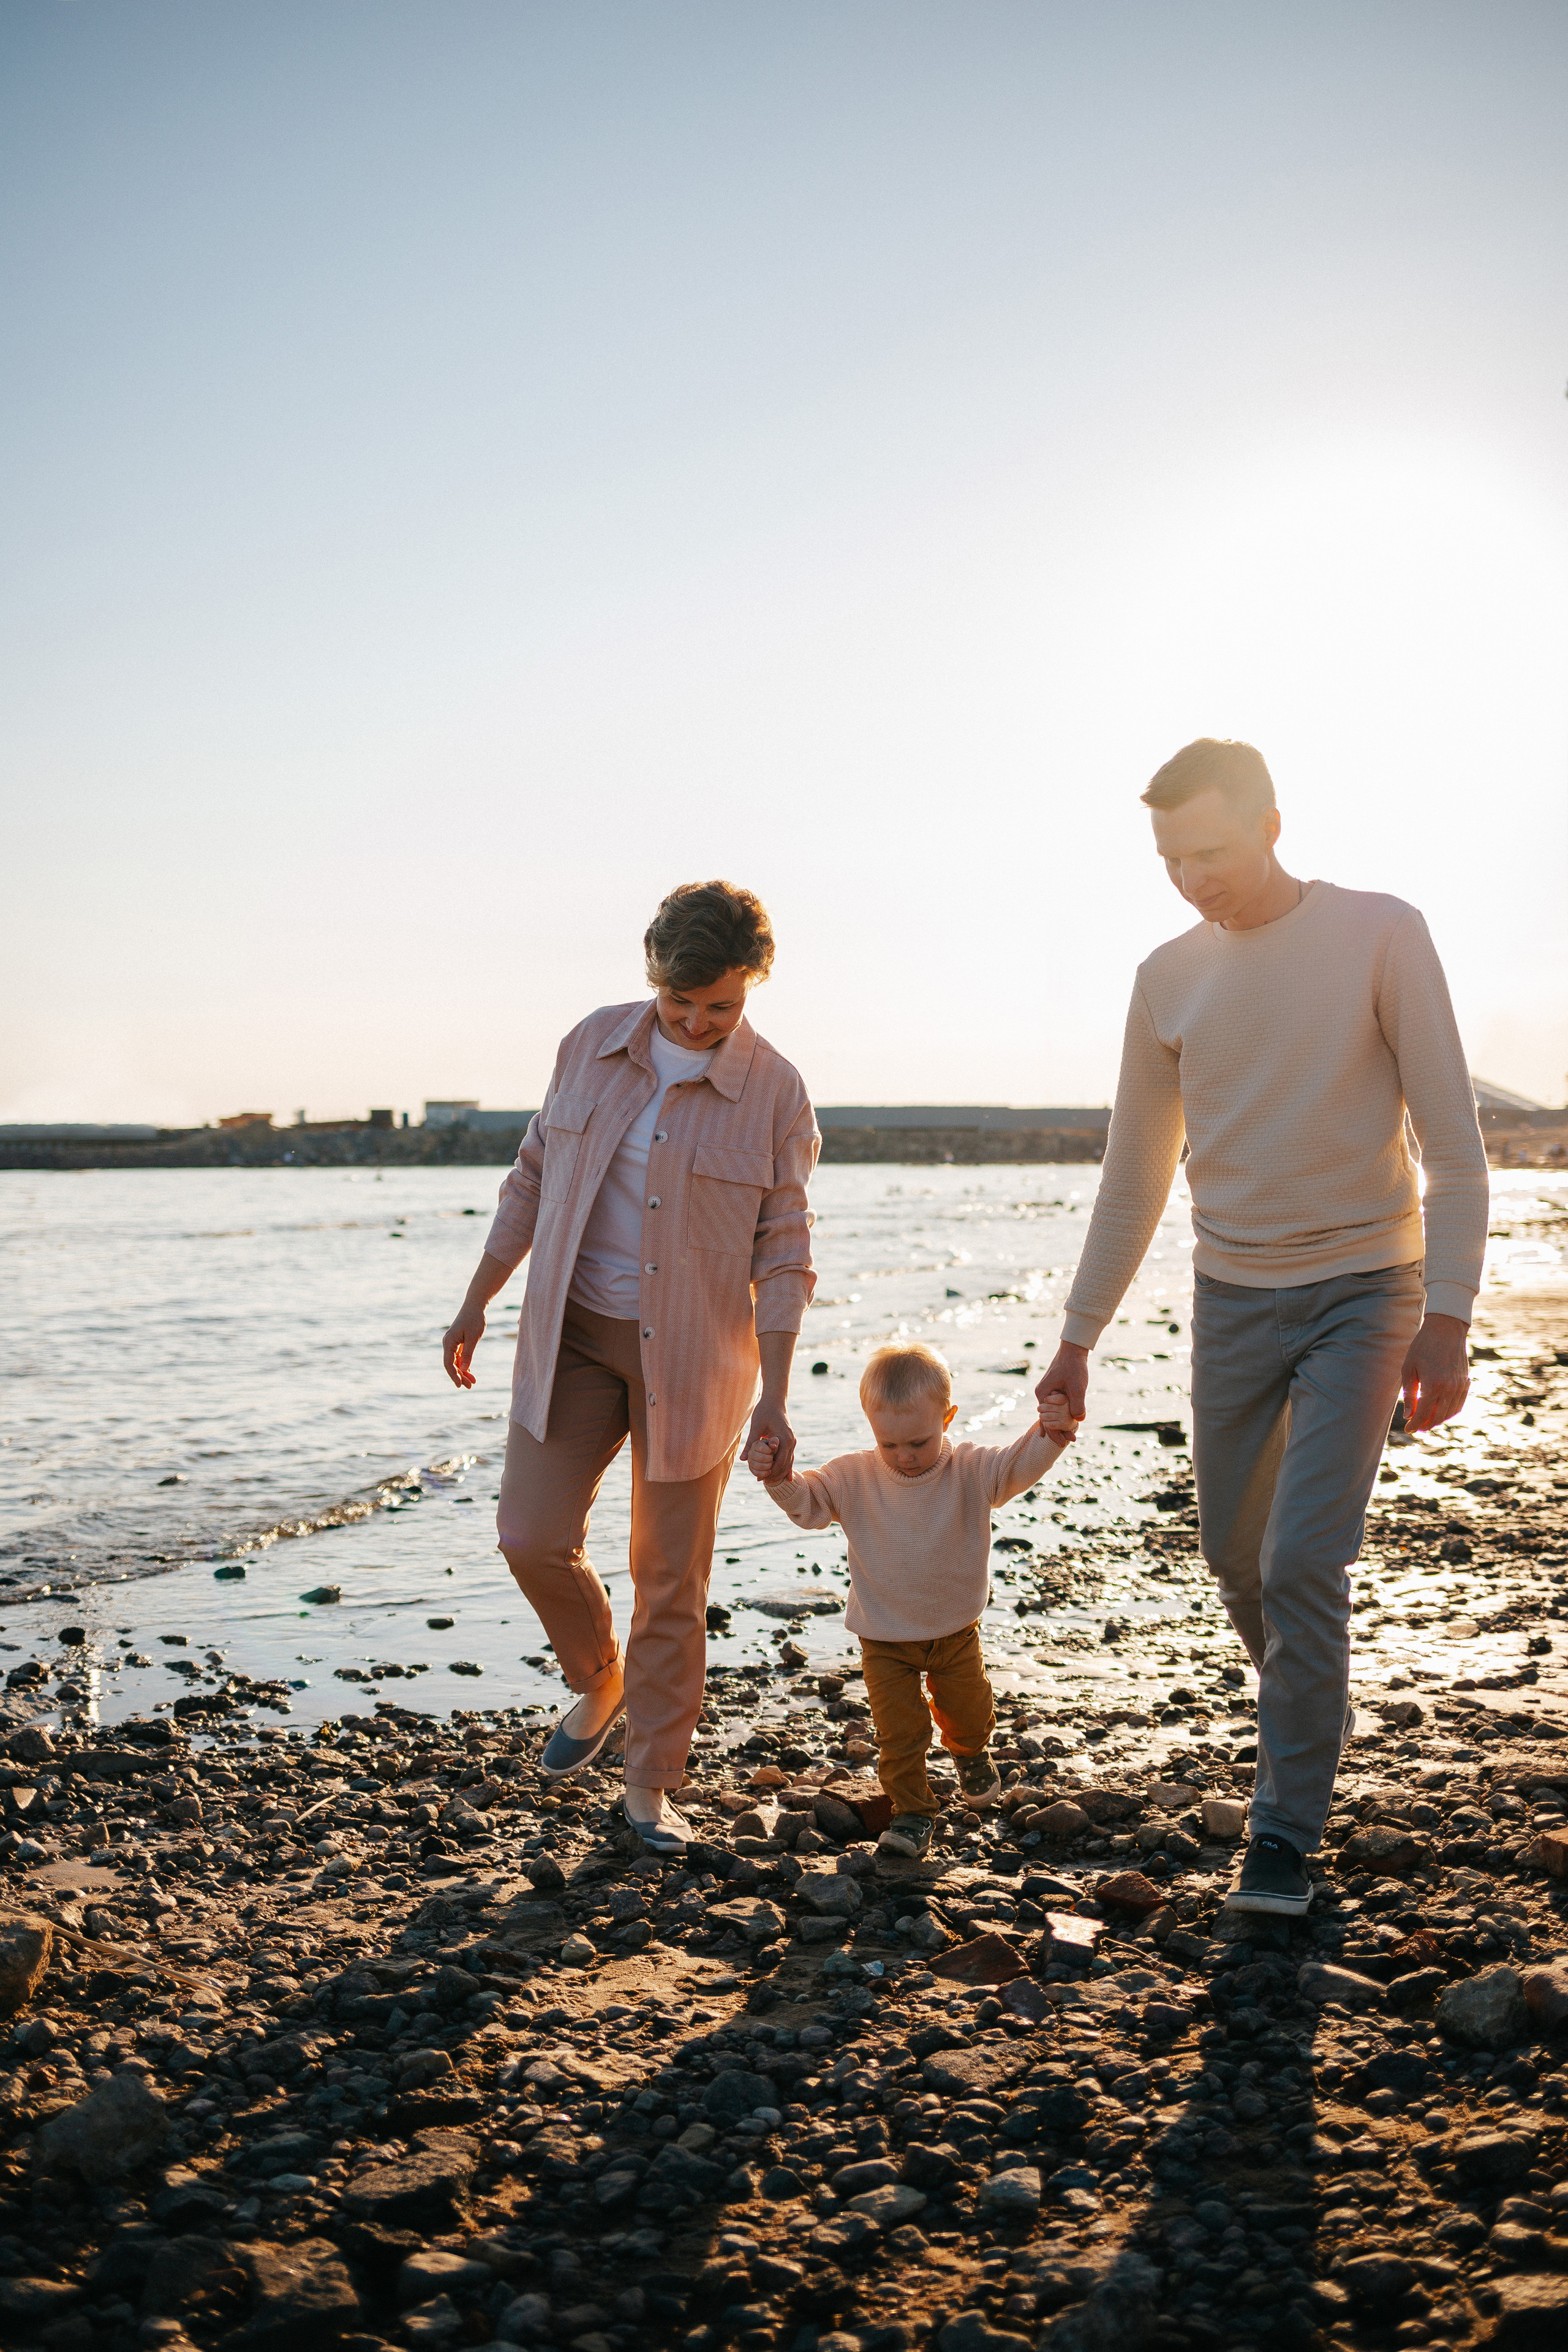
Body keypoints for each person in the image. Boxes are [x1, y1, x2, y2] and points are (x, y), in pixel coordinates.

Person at [1035, 738, 1487, 1917]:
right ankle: (1312, 1706)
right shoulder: (1165, 978)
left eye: (1214, 852)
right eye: (1171, 859)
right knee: (1236, 1559)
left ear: (1274, 825)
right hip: (1231, 1300)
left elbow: (1452, 1142)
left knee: (1300, 1561)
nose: (1194, 879)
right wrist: (1078, 1337)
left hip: (1366, 1293)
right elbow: (1135, 1178)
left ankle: (1283, 1834)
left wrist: (1448, 1316)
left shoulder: (1383, 932)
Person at [442, 880, 818, 1854]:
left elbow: (784, 1252)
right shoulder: (589, 1044)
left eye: (721, 1007)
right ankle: (598, 1678)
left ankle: (650, 1787)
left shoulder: (775, 1091)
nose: (696, 1024)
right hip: (571, 1333)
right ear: (652, 973)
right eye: (679, 1002)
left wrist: (777, 1396)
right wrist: (480, 1295)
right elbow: (531, 1174)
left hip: (696, 1357)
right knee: (530, 1534)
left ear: (753, 987)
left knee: (669, 1579)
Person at [748, 1340, 1075, 1860]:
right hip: (884, 1638)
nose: (905, 1457)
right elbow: (808, 1505)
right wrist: (778, 1477)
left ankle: (970, 1752)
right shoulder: (852, 1476)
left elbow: (1019, 1464)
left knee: (968, 1711)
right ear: (872, 1429)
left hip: (954, 1630)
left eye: (919, 1443)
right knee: (900, 1736)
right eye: (890, 1445)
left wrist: (1053, 1432)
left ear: (948, 1417)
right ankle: (913, 1814)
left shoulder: (970, 1469)